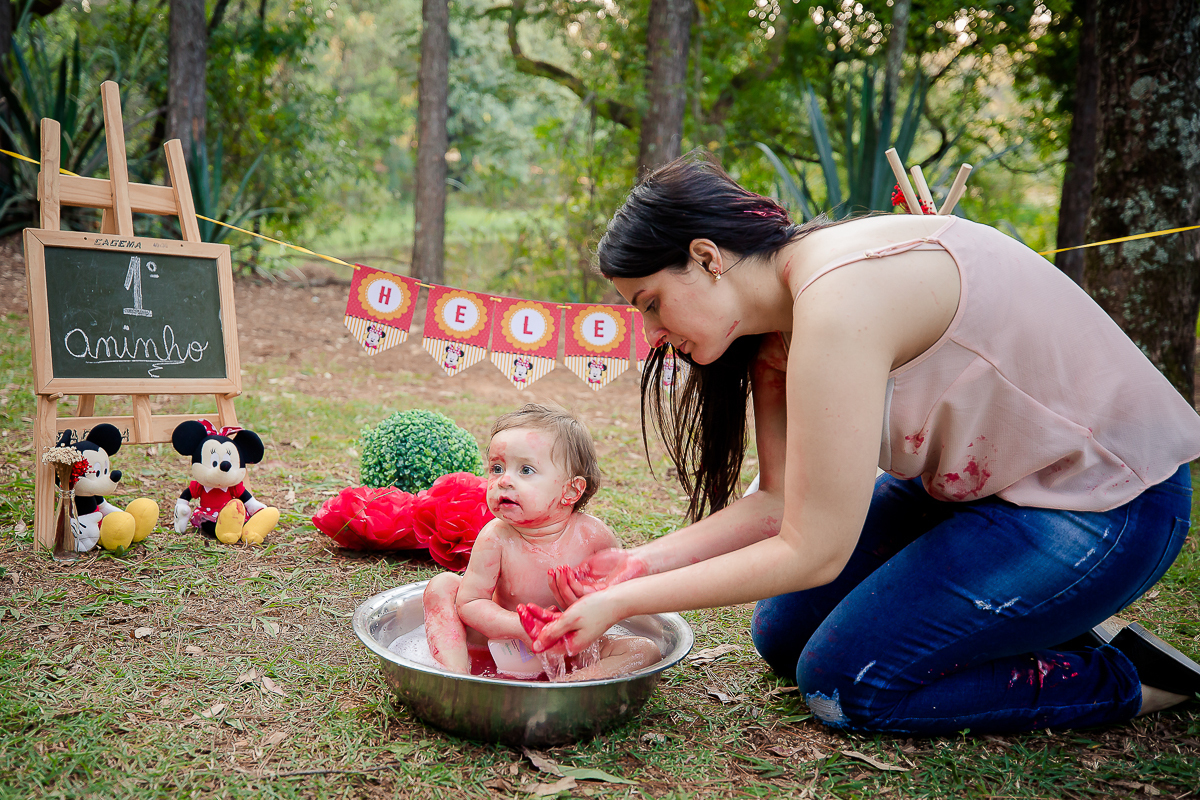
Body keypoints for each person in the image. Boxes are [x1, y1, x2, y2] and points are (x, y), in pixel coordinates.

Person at [529, 152, 1200, 734]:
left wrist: (623, 604)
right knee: (782, 633)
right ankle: (1035, 615)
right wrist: (636, 565)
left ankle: (1130, 676)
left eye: (649, 303)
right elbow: (779, 503)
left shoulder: (839, 298)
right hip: (980, 498)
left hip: (1107, 505)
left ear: (706, 258)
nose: (650, 335)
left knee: (846, 684)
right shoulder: (776, 325)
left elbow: (814, 550)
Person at [422, 403, 659, 681]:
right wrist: (518, 625)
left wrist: (584, 607)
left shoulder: (593, 536)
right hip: (500, 642)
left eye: (525, 470)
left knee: (645, 650)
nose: (504, 480)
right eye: (497, 468)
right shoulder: (496, 536)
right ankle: (455, 674)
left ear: (570, 491)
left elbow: (619, 598)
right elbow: (471, 603)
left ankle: (572, 683)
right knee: (443, 586)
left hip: (569, 646)